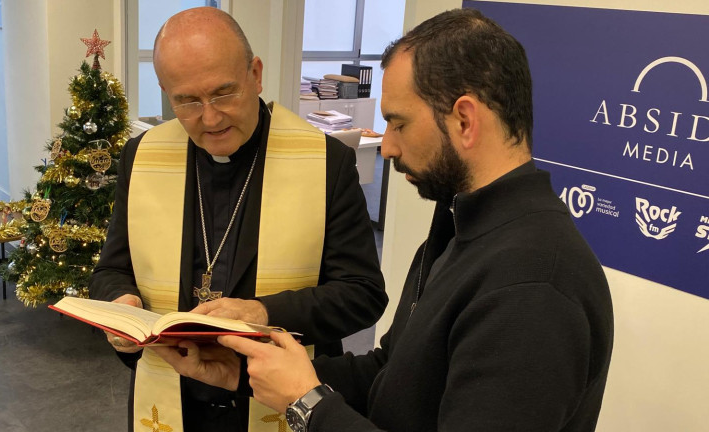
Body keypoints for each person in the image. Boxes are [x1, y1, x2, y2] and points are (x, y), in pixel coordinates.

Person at [153, 8, 615, 432]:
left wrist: (306, 403)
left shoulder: (532, 286)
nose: (388, 146)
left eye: (398, 123)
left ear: (465, 121)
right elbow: (389, 374)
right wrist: (242, 373)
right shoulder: (463, 231)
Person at [88, 7, 387, 432]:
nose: (209, 118)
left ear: (256, 74)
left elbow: (363, 294)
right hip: (173, 396)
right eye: (187, 101)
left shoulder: (326, 163)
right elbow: (113, 268)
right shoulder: (142, 157)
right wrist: (122, 304)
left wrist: (263, 312)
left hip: (277, 399)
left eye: (224, 93)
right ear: (165, 91)